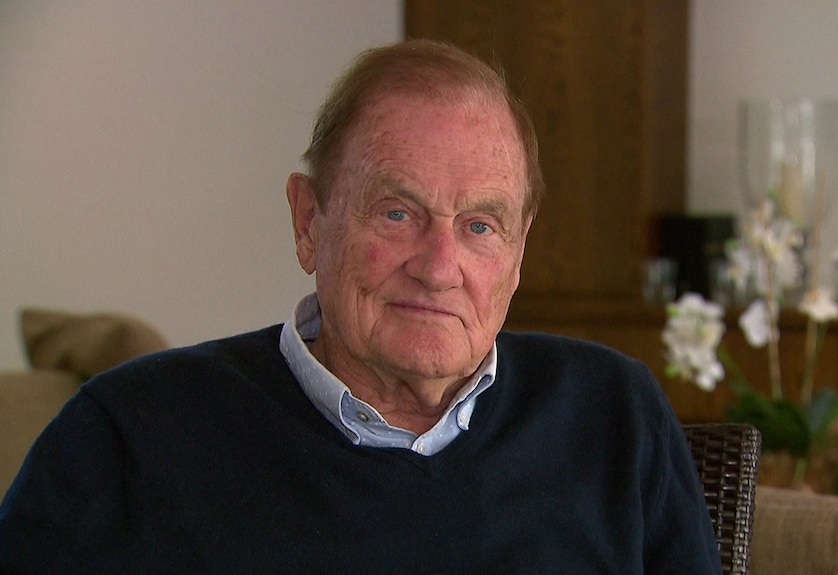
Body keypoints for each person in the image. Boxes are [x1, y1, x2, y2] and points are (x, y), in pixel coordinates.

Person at [0, 39, 722, 573]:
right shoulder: (131, 434)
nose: (441, 268)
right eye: (398, 213)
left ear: (519, 251)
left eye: (479, 225)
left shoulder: (611, 413)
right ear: (309, 221)